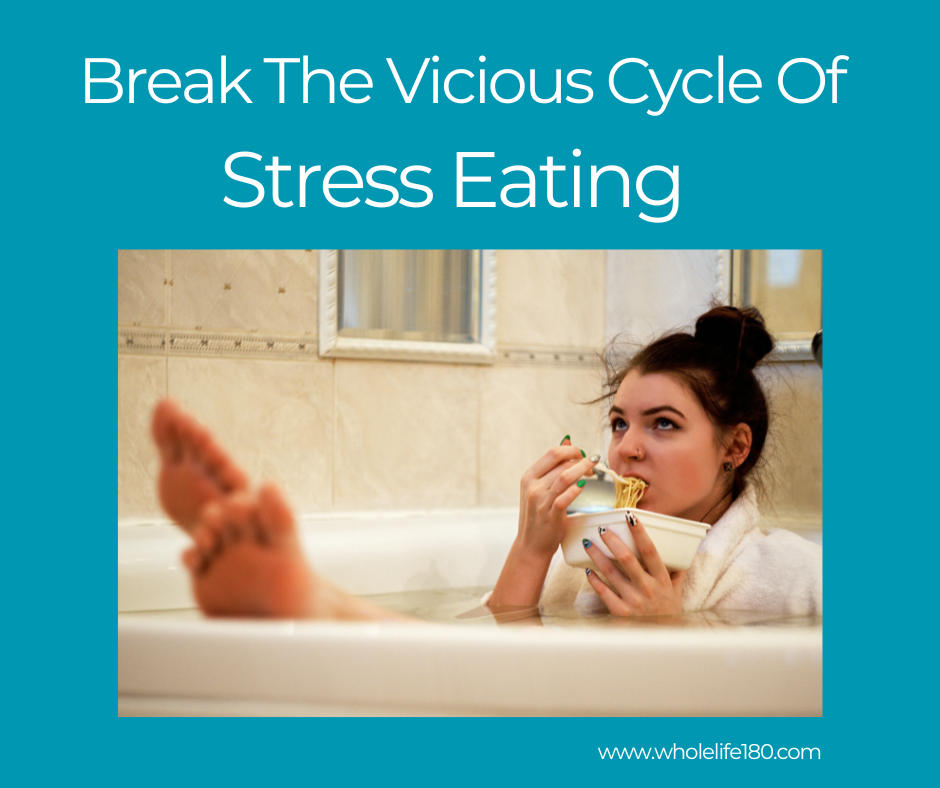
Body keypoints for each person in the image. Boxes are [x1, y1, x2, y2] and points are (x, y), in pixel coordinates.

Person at [150, 306, 821, 621]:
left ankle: (313, 603)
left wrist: (670, 635)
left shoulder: (794, 579)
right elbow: (483, 661)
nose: (627, 448)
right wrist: (531, 549)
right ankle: (310, 602)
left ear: (735, 448)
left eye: (663, 425)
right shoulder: (590, 551)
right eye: (618, 423)